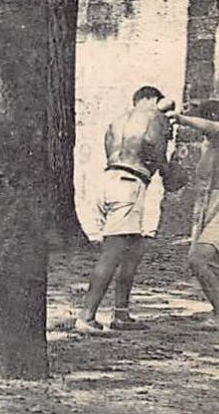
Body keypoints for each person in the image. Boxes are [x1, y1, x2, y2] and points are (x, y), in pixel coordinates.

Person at [74, 86, 183, 334]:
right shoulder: (155, 117)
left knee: (135, 247)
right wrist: (168, 173)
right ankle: (86, 316)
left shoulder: (117, 121)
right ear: (153, 99)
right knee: (112, 252)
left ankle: (121, 314)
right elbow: (153, 150)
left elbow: (112, 152)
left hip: (109, 179)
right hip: (130, 185)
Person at [177, 100, 219, 326]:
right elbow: (201, 173)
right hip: (214, 202)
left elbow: (214, 127)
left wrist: (182, 119)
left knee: (199, 260)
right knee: (215, 269)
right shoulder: (213, 144)